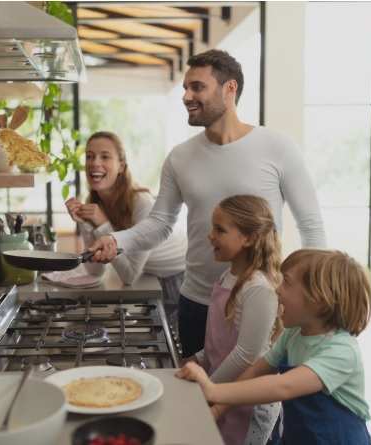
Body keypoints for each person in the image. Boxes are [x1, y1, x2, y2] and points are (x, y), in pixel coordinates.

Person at [84, 48, 326, 358]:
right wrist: (115, 240)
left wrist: (310, 291)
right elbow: (159, 224)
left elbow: (311, 225)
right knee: (197, 399)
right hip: (197, 301)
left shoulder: (278, 147)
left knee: (257, 402)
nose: (186, 95)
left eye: (197, 86)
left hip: (261, 303)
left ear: (229, 89)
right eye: (185, 87)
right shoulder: (180, 157)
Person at [176, 248, 371, 445]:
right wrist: (218, 409)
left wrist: (212, 390)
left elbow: (284, 386)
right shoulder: (293, 334)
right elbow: (256, 372)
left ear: (319, 301)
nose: (277, 289)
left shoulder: (341, 351)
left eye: (286, 283)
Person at [186, 195, 283, 445]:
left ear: (248, 239)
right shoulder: (228, 276)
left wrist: (209, 388)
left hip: (248, 402)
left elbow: (246, 355)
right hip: (224, 390)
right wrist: (197, 358)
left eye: (220, 229)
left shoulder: (258, 288)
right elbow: (219, 338)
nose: (210, 235)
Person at [65, 131, 187, 326]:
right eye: (90, 156)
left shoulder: (141, 203)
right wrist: (85, 223)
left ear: (121, 166)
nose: (95, 162)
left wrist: (103, 225)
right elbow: (94, 271)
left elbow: (129, 276)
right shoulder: (97, 204)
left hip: (178, 279)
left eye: (105, 156)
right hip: (150, 276)